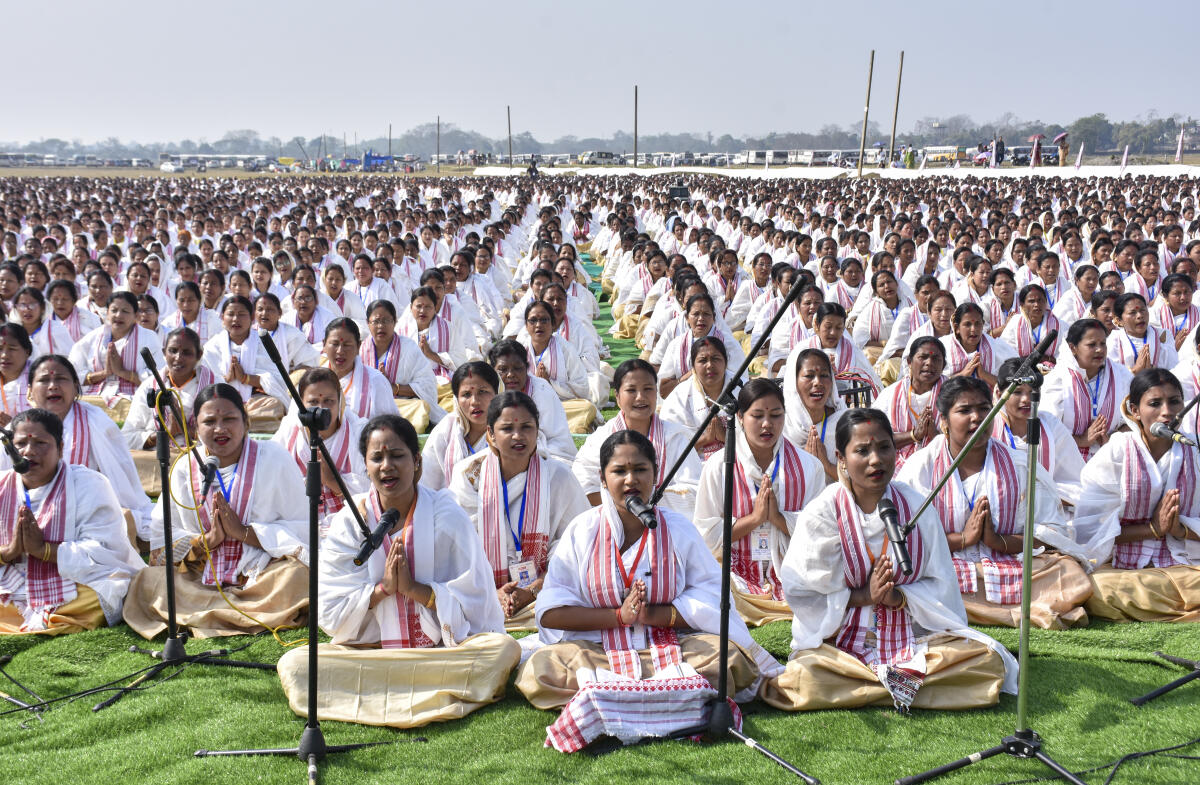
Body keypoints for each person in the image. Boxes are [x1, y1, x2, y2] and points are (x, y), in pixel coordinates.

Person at [761, 408, 1016, 712]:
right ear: (841, 458)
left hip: (914, 635)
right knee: (805, 676)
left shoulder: (915, 505)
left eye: (884, 447)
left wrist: (899, 597)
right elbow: (803, 594)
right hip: (841, 644)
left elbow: (942, 586)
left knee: (987, 661)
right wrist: (863, 597)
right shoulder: (822, 514)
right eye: (862, 451)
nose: (875, 460)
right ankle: (905, 685)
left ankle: (869, 688)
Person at [516, 430, 781, 720]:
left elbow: (715, 600)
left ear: (655, 474)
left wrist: (655, 615)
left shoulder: (678, 528)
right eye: (619, 471)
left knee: (728, 659)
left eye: (640, 469)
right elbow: (551, 613)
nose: (631, 480)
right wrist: (619, 617)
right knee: (541, 668)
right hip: (597, 651)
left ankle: (610, 699)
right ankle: (674, 696)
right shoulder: (582, 530)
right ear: (603, 479)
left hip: (673, 646)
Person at [277, 414, 519, 728]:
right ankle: (432, 692)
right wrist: (383, 591)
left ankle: (379, 695)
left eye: (397, 455)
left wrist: (414, 589)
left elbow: (478, 605)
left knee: (501, 650)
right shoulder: (350, 523)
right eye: (377, 458)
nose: (387, 466)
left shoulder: (447, 516)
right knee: (296, 665)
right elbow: (331, 613)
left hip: (440, 653)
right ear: (366, 467)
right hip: (375, 653)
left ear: (417, 462)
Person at [897, 377, 1091, 629]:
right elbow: (904, 537)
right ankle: (1006, 609)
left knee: (1068, 573)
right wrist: (963, 539)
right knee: (911, 577)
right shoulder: (920, 467)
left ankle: (966, 608)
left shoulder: (1020, 465)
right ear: (943, 421)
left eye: (983, 409)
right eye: (965, 410)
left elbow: (1052, 531)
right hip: (948, 566)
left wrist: (999, 542)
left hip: (1007, 563)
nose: (977, 418)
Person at [123, 383, 309, 639]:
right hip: (198, 576)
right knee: (147, 581)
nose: (220, 429)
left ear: (246, 421)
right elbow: (163, 539)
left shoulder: (275, 458)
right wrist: (206, 542)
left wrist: (243, 533)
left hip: (259, 575)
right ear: (196, 427)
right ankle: (242, 614)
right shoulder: (184, 466)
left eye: (229, 419)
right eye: (209, 421)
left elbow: (300, 529)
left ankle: (202, 615)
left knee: (297, 576)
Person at [450, 392, 589, 631]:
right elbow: (457, 547)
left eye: (527, 427)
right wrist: (493, 592)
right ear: (491, 435)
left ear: (538, 432)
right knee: (450, 601)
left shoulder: (558, 475)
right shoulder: (469, 476)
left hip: (545, 587)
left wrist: (534, 588)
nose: (518, 436)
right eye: (506, 429)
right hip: (482, 589)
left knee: (573, 598)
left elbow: (577, 544)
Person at [0, 408, 143, 635]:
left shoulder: (89, 483)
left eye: (40, 443)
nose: (29, 451)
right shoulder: (2, 485)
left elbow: (105, 550)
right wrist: (9, 551)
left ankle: (37, 617)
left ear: (60, 448)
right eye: (20, 445)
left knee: (102, 592)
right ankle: (44, 618)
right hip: (11, 581)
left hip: (71, 581)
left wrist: (44, 550)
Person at [1073, 369, 1200, 622]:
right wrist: (1152, 529)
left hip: (1185, 563)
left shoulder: (1194, 450)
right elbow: (1090, 531)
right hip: (1123, 570)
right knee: (1096, 590)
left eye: (1174, 402)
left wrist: (1179, 530)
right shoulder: (1118, 451)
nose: (1167, 412)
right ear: (1134, 411)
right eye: (1155, 403)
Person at [694, 379, 824, 626]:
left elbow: (820, 532)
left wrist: (778, 519)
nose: (767, 424)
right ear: (741, 417)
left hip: (791, 570)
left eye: (776, 415)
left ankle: (769, 607)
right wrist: (754, 520)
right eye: (757, 416)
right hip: (736, 572)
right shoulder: (718, 466)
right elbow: (705, 534)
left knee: (823, 584)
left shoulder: (809, 467)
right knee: (718, 589)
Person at [22, 354, 155, 543]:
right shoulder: (21, 427)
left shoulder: (96, 420)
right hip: (31, 508)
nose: (53, 386)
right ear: (30, 391)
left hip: (87, 509)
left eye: (61, 379)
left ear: (76, 385)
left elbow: (119, 476)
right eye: (44, 380)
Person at [572, 360, 701, 516]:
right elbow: (581, 486)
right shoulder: (601, 438)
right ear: (618, 396)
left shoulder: (675, 436)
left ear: (656, 392)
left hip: (666, 523)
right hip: (612, 521)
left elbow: (694, 491)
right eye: (631, 390)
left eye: (648, 389)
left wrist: (641, 500)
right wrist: (624, 505)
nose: (640, 397)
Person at [271, 368, 369, 537]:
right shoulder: (289, 433)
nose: (321, 409)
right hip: (298, 525)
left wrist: (331, 481)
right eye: (313, 402)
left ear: (340, 402)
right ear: (301, 404)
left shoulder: (358, 433)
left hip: (347, 527)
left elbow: (372, 495)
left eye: (329, 401)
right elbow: (272, 484)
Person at [992, 358, 1085, 507]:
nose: (1026, 399)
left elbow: (1075, 482)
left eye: (1033, 392)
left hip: (1048, 510)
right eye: (1017, 392)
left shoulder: (1051, 425)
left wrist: (1039, 498)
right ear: (999, 392)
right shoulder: (989, 427)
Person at [68, 291, 164, 421]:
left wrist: (122, 372)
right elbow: (73, 372)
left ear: (136, 315)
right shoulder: (93, 338)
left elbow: (159, 377)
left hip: (134, 396)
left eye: (125, 311)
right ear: (107, 313)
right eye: (114, 310)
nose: (118, 315)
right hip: (95, 395)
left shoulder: (149, 338)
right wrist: (104, 373)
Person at [1042, 318, 1129, 459]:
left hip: (1110, 459)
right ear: (1073, 348)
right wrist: (1081, 441)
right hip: (1066, 464)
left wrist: (1113, 441)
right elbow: (1047, 432)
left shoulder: (1121, 375)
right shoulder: (1057, 380)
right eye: (1091, 345)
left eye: (1103, 344)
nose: (1100, 349)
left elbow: (1134, 421)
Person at [200, 296, 288, 433]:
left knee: (274, 405)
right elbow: (205, 383)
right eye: (230, 314)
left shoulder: (264, 343)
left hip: (256, 402)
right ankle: (238, 423)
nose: (236, 319)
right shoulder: (212, 346)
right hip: (223, 402)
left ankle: (233, 424)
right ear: (223, 318)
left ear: (252, 317)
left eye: (241, 314)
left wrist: (245, 378)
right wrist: (226, 379)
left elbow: (276, 380)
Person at [360, 300, 443, 433]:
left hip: (403, 404)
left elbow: (428, 386)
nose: (381, 326)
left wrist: (392, 388)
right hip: (370, 405)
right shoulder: (360, 350)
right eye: (376, 321)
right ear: (367, 323)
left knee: (420, 408)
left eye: (387, 320)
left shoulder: (409, 348)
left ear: (395, 322)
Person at [488, 339, 576, 462]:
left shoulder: (542, 389)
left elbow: (559, 442)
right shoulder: (487, 391)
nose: (510, 375)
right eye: (503, 369)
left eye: (517, 368)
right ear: (493, 371)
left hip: (542, 455)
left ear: (527, 368)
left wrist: (528, 453)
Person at [420, 362, 498, 491]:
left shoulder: (507, 428)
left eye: (483, 391)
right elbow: (427, 481)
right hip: (451, 506)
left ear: (496, 393)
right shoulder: (447, 428)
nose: (475, 401)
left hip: (497, 507)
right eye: (466, 394)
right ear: (456, 399)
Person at [873, 337, 945, 470]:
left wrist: (934, 435)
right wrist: (913, 435)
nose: (929, 363)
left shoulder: (953, 394)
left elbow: (964, 442)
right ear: (909, 362)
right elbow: (874, 438)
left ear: (944, 365)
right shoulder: (891, 395)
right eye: (923, 357)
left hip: (942, 465)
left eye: (936, 359)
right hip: (897, 467)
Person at [659, 336, 732, 460]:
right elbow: (669, 449)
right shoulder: (679, 397)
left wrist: (726, 437)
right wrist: (705, 439)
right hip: (692, 468)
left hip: (737, 465)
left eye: (716, 359)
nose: (710, 365)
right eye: (703, 360)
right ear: (693, 366)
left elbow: (759, 443)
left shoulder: (742, 390)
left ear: (726, 363)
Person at [320, 318, 400, 421]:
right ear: (324, 345)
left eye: (347, 345)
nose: (340, 351)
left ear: (358, 346)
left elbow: (390, 425)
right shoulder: (314, 381)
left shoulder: (376, 381)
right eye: (335, 344)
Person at [781, 347, 844, 479]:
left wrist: (826, 465)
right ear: (794, 382)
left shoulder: (843, 422)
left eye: (824, 375)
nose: (818, 382)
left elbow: (859, 481)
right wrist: (803, 461)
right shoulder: (781, 425)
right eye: (809, 376)